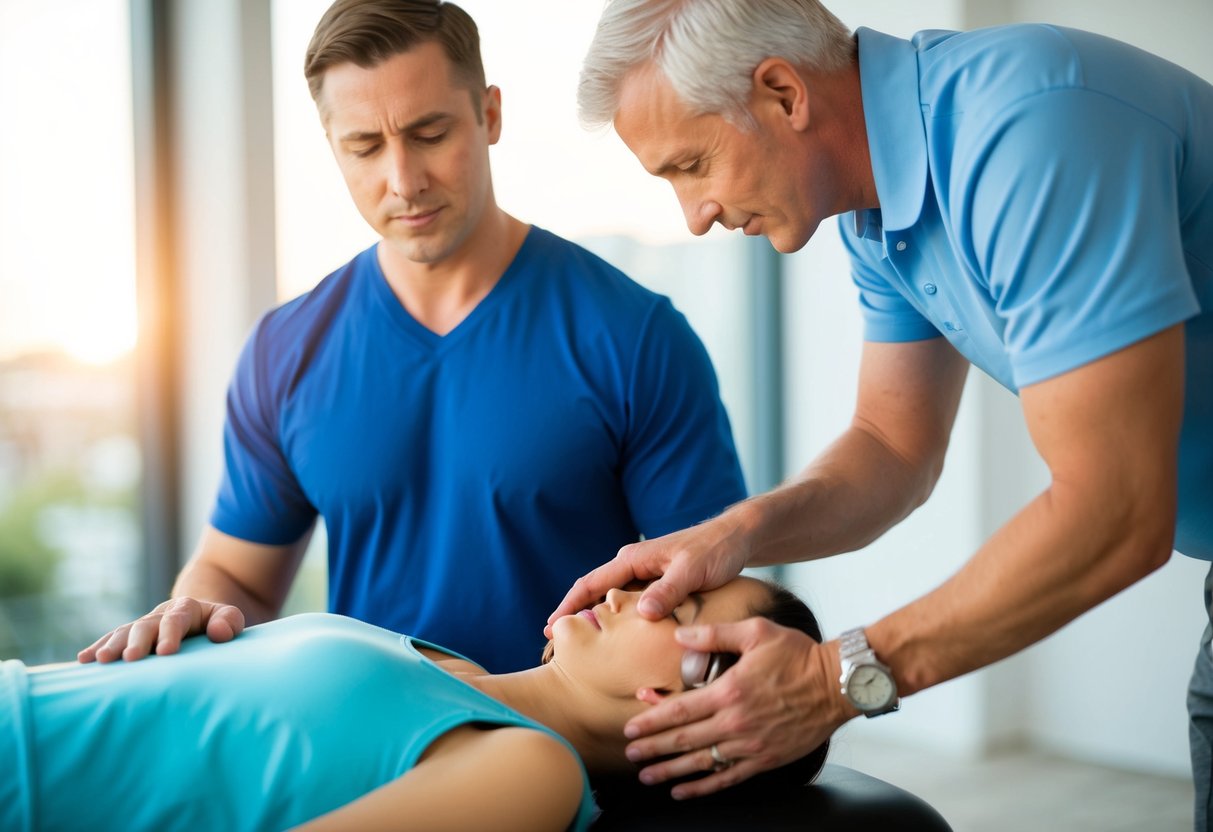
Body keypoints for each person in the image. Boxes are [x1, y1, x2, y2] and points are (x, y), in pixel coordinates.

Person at [549, 0, 1213, 815]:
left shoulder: (1028, 131)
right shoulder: (875, 214)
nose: (696, 216)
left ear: (783, 94)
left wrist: (837, 680)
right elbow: (890, 447)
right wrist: (729, 534)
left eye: (692, 165)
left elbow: (1115, 512)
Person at [78, 0, 746, 674]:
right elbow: (239, 577)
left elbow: (710, 599)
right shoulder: (284, 352)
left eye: (430, 133)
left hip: (579, 761)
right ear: (332, 146)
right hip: (368, 754)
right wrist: (192, 607)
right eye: (365, 146)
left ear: (489, 114)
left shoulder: (634, 337)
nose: (403, 180)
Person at [3, 577, 828, 831]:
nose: (640, 592)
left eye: (677, 612)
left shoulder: (528, 767)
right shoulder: (446, 664)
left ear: (691, 708)